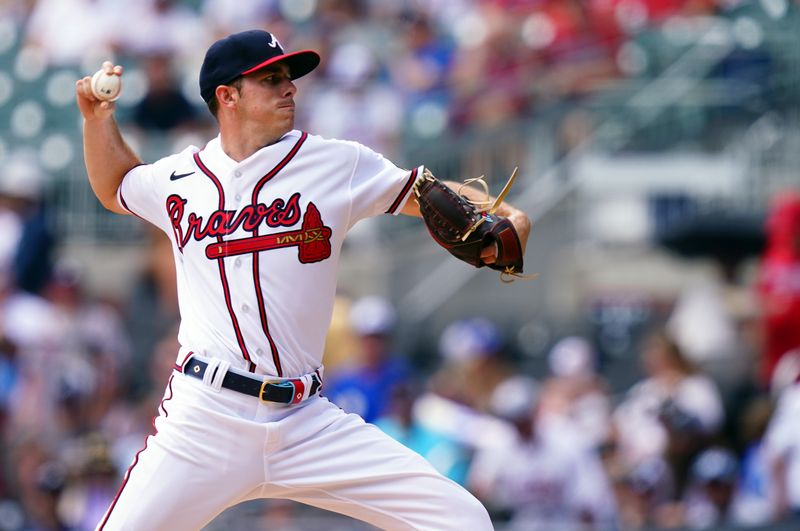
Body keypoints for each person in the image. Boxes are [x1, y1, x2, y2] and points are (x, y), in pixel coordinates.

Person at [75, 29, 530, 530]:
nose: (289, 89)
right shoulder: (180, 177)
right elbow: (115, 186)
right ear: (227, 96)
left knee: (462, 519)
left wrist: (505, 211)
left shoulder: (336, 162)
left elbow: (427, 194)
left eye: (289, 78)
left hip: (305, 421)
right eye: (270, 80)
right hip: (206, 418)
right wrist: (97, 121)